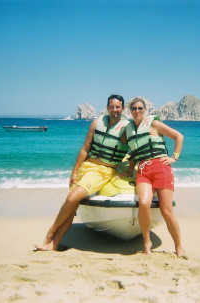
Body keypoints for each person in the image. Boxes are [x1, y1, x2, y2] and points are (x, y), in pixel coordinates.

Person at [35, 94, 129, 251]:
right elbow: (85, 148)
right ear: (107, 108)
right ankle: (54, 245)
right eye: (112, 107)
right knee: (71, 206)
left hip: (103, 170)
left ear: (123, 109)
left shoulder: (127, 128)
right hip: (87, 167)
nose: (114, 110)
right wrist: (74, 171)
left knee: (72, 198)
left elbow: (139, 145)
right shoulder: (96, 123)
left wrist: (131, 168)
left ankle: (50, 233)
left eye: (118, 107)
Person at [122, 96, 185, 257]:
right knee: (143, 203)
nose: (137, 111)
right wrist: (129, 170)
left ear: (145, 110)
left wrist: (174, 157)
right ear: (130, 111)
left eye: (140, 108)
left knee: (166, 210)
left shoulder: (154, 124)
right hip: (143, 170)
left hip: (161, 168)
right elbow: (134, 152)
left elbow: (179, 136)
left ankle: (179, 246)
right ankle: (146, 242)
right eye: (134, 108)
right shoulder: (128, 130)